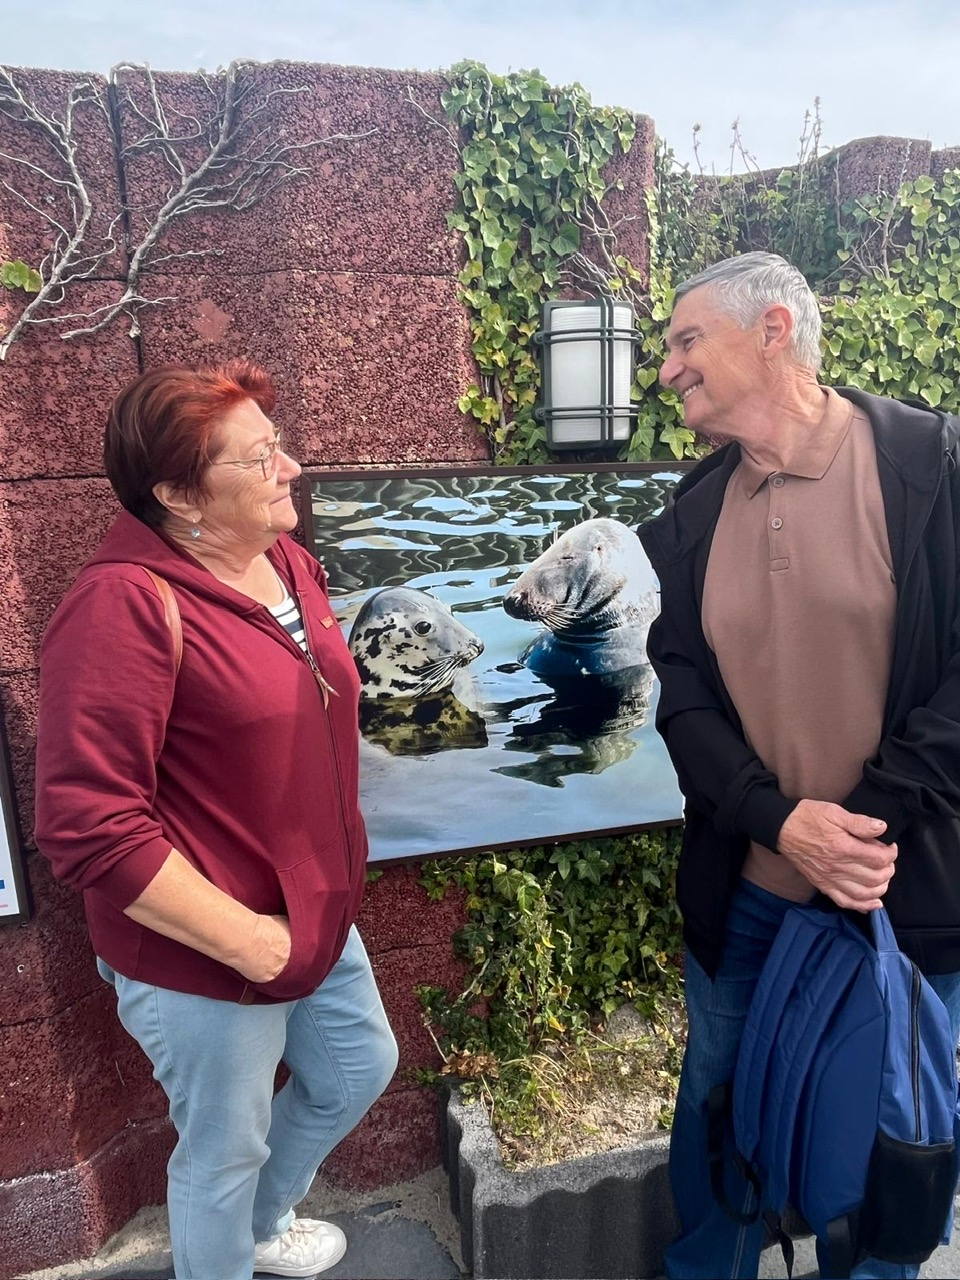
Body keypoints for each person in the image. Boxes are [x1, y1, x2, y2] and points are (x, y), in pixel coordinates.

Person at [34, 360, 399, 1280]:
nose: (292, 469)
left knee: (356, 1069)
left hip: (312, 907)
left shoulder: (286, 560)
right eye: (259, 458)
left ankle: (261, 1229)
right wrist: (254, 945)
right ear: (176, 494)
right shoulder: (122, 606)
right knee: (223, 1154)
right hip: (208, 947)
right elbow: (86, 824)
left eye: (278, 445)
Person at [637, 252, 960, 1280]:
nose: (667, 369)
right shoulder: (692, 515)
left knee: (892, 1133)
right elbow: (681, 693)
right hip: (750, 889)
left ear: (773, 329)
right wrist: (780, 823)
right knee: (717, 1108)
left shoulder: (929, 465)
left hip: (902, 889)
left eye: (687, 340)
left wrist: (861, 824)